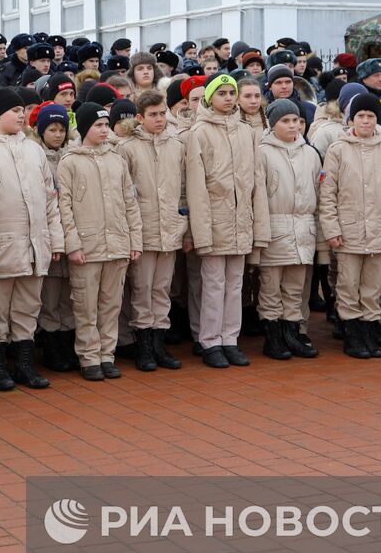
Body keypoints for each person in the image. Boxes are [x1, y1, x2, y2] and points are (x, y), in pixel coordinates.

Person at [0, 89, 64, 391]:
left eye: (22, 110)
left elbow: (50, 199)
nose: (21, 115)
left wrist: (55, 240)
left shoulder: (33, 149)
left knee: (28, 307)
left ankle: (24, 365)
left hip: (34, 245)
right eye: (14, 110)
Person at [186, 74, 268, 368]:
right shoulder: (199, 132)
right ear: (210, 98)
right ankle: (210, 341)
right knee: (213, 284)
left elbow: (256, 181)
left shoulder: (246, 132)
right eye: (221, 93)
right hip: (215, 221)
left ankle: (230, 339)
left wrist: (258, 226)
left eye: (231, 93)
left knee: (235, 285)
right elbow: (197, 187)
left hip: (241, 220)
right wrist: (201, 232)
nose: (228, 98)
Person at [319, 91, 381, 359]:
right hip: (349, 231)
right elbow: (328, 194)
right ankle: (352, 334)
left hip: (380, 229)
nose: (366, 121)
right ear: (351, 119)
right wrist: (332, 229)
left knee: (373, 286)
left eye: (370, 116)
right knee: (348, 285)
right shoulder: (338, 150)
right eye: (361, 116)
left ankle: (370, 330)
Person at [56, 103, 142, 380]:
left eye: (106, 125)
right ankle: (89, 357)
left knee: (111, 305)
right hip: (87, 247)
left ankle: (107, 355)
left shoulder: (116, 159)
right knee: (86, 307)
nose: (104, 130)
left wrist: (134, 240)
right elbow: (64, 207)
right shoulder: (70, 162)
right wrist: (73, 244)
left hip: (117, 244)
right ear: (84, 129)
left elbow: (130, 202)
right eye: (98, 126)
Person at [116, 90, 185, 372]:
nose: (159, 119)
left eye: (162, 113)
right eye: (152, 115)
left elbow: (182, 189)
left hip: (169, 227)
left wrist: (182, 223)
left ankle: (159, 342)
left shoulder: (176, 145)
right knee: (142, 288)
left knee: (162, 288)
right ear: (140, 117)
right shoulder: (128, 147)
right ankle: (143, 344)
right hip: (143, 229)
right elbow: (124, 194)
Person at [255, 98, 322, 360]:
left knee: (295, 288)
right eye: (285, 121)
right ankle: (273, 337)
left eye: (296, 120)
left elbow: (318, 192)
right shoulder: (262, 153)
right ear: (273, 124)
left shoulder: (310, 154)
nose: (293, 125)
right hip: (275, 228)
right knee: (271, 288)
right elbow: (258, 196)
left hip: (303, 230)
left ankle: (292, 333)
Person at [32, 103, 77, 373]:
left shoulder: (73, 155)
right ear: (41, 131)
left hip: (72, 233)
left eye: (62, 130)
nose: (58, 135)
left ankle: (67, 343)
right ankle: (51, 347)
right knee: (49, 297)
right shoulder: (37, 159)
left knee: (69, 297)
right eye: (52, 130)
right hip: (49, 236)